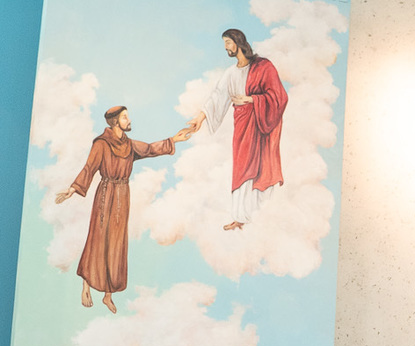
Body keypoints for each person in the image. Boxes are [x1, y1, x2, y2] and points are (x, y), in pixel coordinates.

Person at [56, 105, 194, 310]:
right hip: (105, 196)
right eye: (125, 117)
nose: (129, 120)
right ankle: (86, 285)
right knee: (98, 238)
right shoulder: (101, 144)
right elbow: (89, 168)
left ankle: (107, 295)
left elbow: (149, 149)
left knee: (117, 244)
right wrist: (72, 189)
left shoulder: (129, 145)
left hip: (122, 196)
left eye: (127, 117)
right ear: (115, 122)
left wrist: (173, 140)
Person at [190, 29, 288, 231]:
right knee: (242, 167)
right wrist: (200, 118)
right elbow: (217, 96)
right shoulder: (231, 73)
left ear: (237, 42)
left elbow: (279, 96)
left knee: (262, 167)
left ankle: (261, 216)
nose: (225, 47)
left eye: (227, 42)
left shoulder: (263, 66)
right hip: (242, 126)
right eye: (224, 43)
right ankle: (240, 217)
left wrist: (252, 99)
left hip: (262, 127)